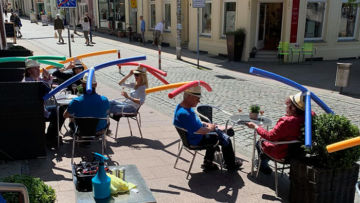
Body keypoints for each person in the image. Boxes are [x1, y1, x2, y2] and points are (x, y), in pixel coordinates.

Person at [173, 86, 242, 171]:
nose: (199, 101)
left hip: (192, 137)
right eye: (197, 99)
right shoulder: (185, 114)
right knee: (225, 137)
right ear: (190, 97)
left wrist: (207, 124)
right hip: (196, 140)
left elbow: (194, 123)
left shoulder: (181, 107)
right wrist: (211, 128)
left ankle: (208, 162)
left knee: (223, 132)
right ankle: (230, 165)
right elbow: (199, 130)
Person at [246, 92, 310, 175]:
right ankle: (263, 163)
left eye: (288, 104)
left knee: (259, 142)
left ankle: (263, 165)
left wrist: (256, 127)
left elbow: (270, 136)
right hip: (298, 154)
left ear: (293, 108)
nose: (286, 106)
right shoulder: (309, 116)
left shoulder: (287, 121)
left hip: (283, 153)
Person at [23, 59, 65, 148]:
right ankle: (50, 137)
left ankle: (51, 136)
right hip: (37, 112)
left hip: (40, 109)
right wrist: (47, 80)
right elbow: (46, 89)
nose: (39, 70)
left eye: (38, 68)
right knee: (60, 111)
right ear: (29, 70)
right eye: (36, 68)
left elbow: (45, 84)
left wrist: (47, 78)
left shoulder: (35, 78)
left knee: (60, 110)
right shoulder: (29, 82)